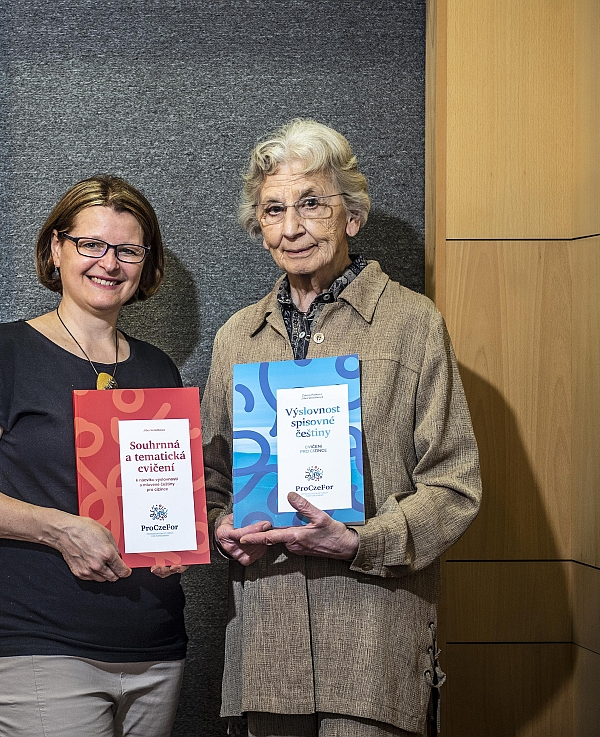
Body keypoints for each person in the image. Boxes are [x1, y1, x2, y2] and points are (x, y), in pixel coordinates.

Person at [202, 119, 482, 737]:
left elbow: (454, 485)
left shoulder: (412, 324)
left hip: (373, 652)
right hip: (266, 654)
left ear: (352, 217)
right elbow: (211, 479)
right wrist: (224, 527)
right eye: (273, 209)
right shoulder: (236, 339)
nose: (292, 227)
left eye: (311, 204)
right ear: (259, 228)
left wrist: (361, 543)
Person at [0, 174, 188, 737]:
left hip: (154, 643)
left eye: (128, 250)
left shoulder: (158, 369)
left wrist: (176, 541)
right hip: (36, 640)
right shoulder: (4, 353)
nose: (109, 263)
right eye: (91, 244)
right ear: (56, 248)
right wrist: (60, 529)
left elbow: (160, 493)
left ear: (146, 263)